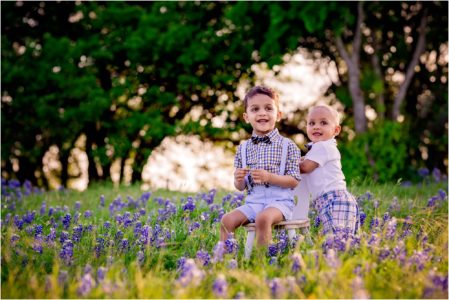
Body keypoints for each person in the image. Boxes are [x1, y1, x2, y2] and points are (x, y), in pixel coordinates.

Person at [220, 85, 301, 247]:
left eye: (268, 108)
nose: (262, 113)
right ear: (246, 116)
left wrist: (269, 177)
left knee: (263, 218)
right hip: (253, 203)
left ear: (278, 115)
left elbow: (294, 180)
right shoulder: (243, 148)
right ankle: (224, 259)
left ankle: (261, 261)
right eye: (255, 109)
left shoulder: (288, 145)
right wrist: (238, 179)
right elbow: (240, 187)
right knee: (226, 220)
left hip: (279, 203)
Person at [299, 105, 358, 235]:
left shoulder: (323, 147)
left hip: (334, 200)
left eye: (323, 123)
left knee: (336, 242)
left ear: (336, 130)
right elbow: (305, 160)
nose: (316, 126)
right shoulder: (318, 149)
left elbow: (304, 167)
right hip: (332, 201)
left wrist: (285, 164)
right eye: (311, 123)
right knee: (342, 241)